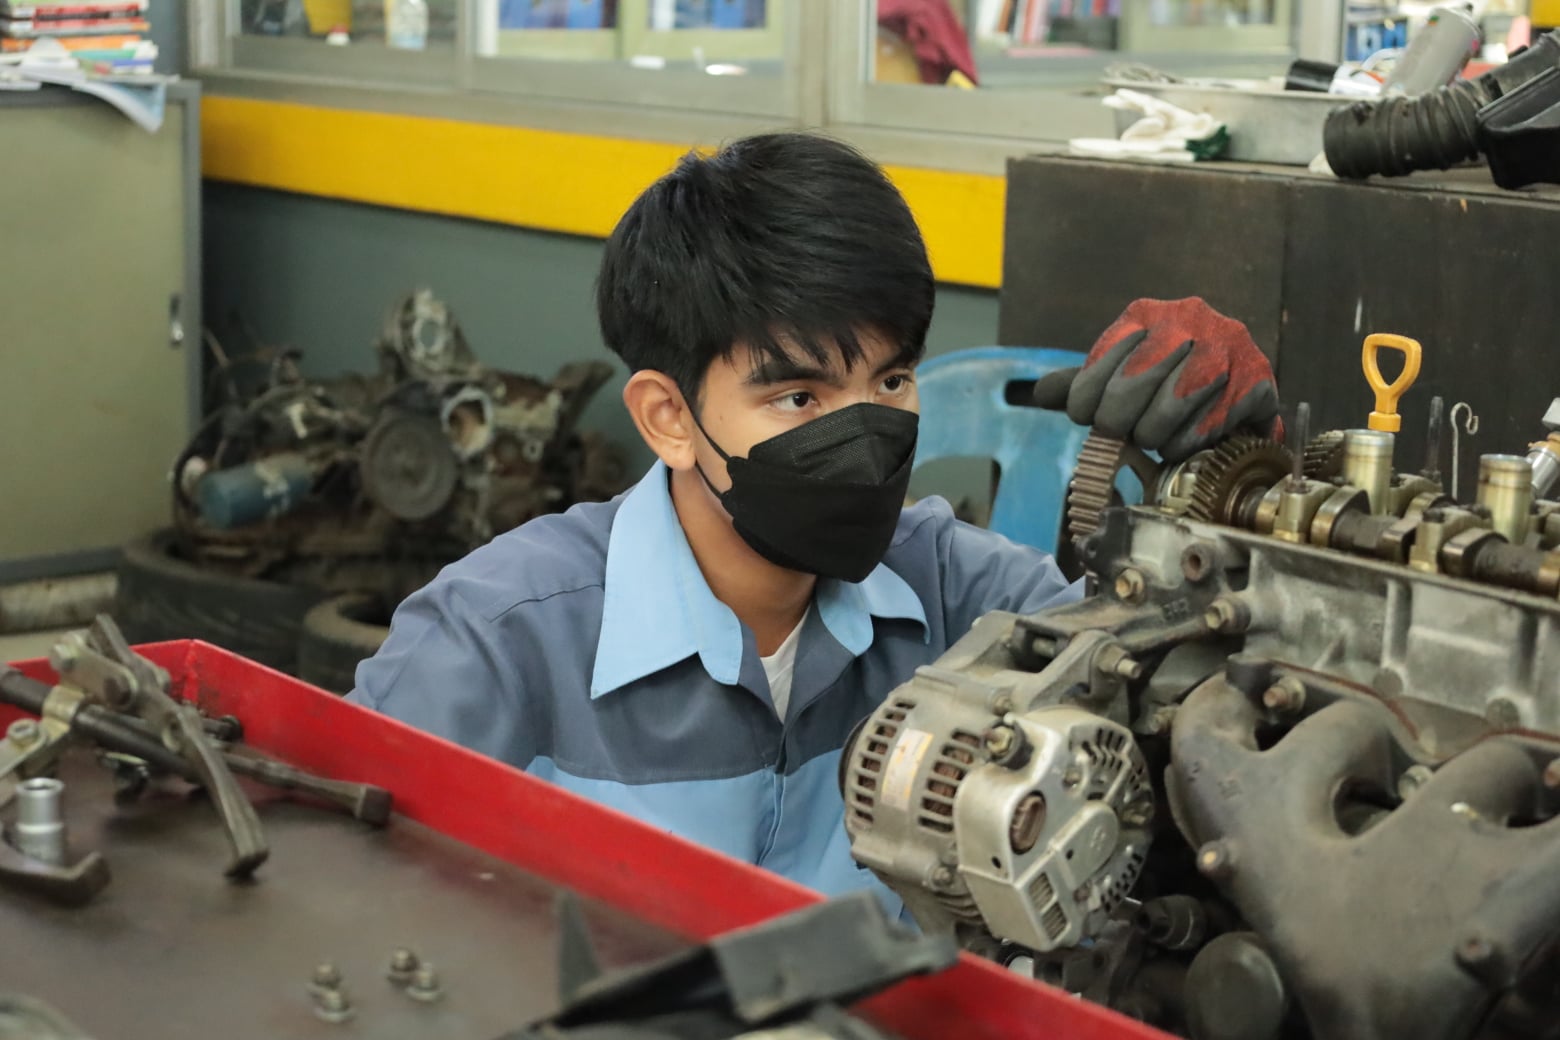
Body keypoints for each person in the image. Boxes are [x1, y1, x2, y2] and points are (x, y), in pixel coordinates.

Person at [347, 132, 1279, 912]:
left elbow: (1193, 692)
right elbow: (330, 892)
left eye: (890, 381)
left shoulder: (958, 596)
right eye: (797, 396)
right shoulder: (499, 640)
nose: (864, 439)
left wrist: (1233, 468)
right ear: (669, 418)